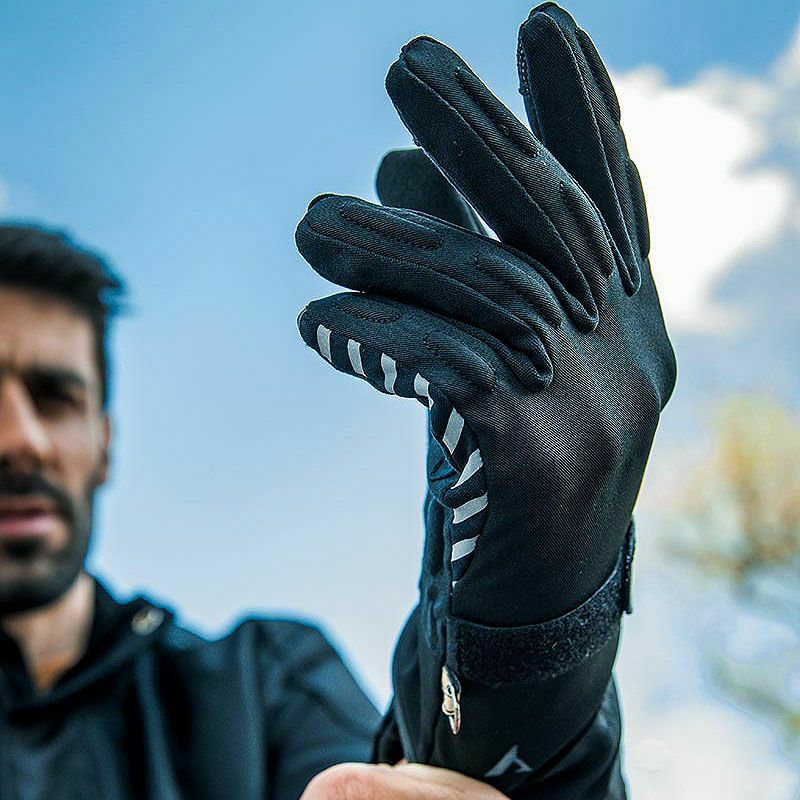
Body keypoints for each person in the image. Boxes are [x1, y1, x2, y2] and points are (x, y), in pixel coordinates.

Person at [0, 4, 675, 799]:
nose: (18, 439)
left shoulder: (261, 683)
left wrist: (532, 646)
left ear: (106, 442)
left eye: (54, 396)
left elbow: (410, 785)